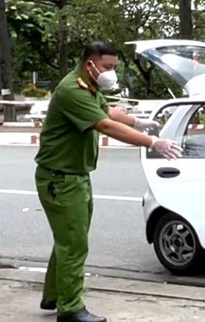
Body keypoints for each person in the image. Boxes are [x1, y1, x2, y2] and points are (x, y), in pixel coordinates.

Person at [34, 40, 182, 322]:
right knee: (74, 244)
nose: (111, 73)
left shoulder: (88, 85)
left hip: (73, 175)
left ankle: (55, 295)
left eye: (114, 67)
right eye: (107, 67)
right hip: (60, 178)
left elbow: (109, 112)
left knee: (68, 240)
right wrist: (153, 141)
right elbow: (105, 126)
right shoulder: (71, 90)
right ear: (90, 63)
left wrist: (137, 122)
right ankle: (71, 309)